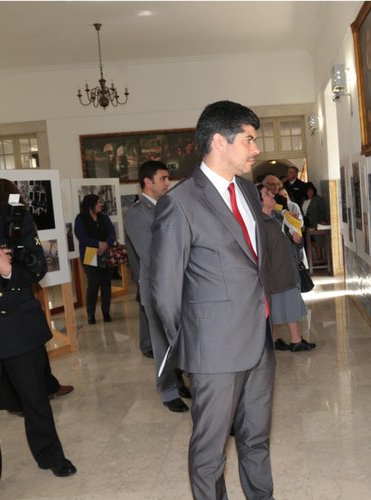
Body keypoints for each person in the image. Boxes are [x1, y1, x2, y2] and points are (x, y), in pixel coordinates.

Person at [150, 100, 275, 499]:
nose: (256, 149)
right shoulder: (181, 203)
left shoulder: (250, 193)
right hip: (214, 354)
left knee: (256, 440)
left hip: (260, 343)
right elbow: (164, 292)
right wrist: (191, 349)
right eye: (249, 139)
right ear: (220, 141)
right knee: (210, 453)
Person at [0, 155, 76, 500]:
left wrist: (8, 270)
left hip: (18, 327)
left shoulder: (14, 217)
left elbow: (37, 265)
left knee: (35, 398)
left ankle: (51, 456)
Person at [0, 178, 74, 405]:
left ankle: (19, 397)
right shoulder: (18, 219)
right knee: (32, 347)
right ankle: (43, 389)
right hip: (21, 290)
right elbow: (32, 262)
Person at [124, 160, 190, 413]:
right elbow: (153, 255)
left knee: (180, 339)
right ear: (147, 182)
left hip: (181, 284)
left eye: (167, 178)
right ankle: (168, 391)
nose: (168, 183)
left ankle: (179, 380)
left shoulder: (168, 206)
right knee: (163, 342)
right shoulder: (136, 214)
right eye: (163, 178)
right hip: (157, 289)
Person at [257, 184, 316, 352]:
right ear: (260, 202)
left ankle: (283, 340)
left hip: (287, 267)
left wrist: (297, 240)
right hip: (277, 272)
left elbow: (289, 239)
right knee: (283, 306)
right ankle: (294, 341)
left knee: (287, 304)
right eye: (267, 194)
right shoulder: (260, 223)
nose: (271, 195)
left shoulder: (278, 217)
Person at [74, 193, 116, 324]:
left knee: (106, 283)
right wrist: (98, 244)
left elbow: (112, 234)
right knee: (93, 283)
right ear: (90, 204)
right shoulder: (81, 219)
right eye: (98, 202)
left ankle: (106, 312)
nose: (101, 204)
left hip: (105, 254)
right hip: (89, 255)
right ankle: (91, 314)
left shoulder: (104, 218)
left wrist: (106, 245)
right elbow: (81, 237)